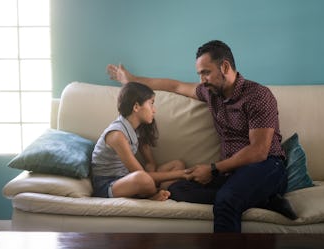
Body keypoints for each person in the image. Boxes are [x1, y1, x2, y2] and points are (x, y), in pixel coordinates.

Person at [106, 40, 297, 232]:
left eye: (206, 72)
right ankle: (264, 200)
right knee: (176, 189)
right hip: (232, 172)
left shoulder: (258, 95)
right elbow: (175, 86)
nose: (202, 80)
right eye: (199, 74)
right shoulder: (211, 93)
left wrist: (213, 169)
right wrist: (131, 80)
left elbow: (258, 151)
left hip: (266, 167)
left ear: (225, 67)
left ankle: (255, 195)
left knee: (226, 201)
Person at [91, 82, 192, 201]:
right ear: (136, 107)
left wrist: (152, 168)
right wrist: (183, 174)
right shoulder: (117, 135)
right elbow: (139, 173)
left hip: (127, 177)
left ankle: (159, 192)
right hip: (109, 184)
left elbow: (150, 163)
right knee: (143, 179)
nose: (154, 110)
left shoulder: (137, 129)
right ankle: (153, 194)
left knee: (177, 165)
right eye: (151, 104)